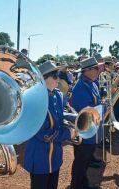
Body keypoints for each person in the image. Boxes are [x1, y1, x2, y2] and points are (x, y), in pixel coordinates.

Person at [23, 60, 74, 189]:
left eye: (58, 75)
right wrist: (68, 133)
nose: (58, 79)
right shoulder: (34, 98)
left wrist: (76, 119)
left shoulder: (57, 94)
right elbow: (43, 134)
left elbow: (59, 117)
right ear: (43, 78)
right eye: (55, 76)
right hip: (40, 157)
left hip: (55, 155)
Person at [69, 57, 103, 189]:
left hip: (92, 129)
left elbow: (95, 104)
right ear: (86, 70)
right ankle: (76, 184)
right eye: (95, 68)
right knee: (81, 160)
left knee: (87, 159)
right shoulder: (80, 87)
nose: (98, 71)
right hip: (84, 130)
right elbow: (86, 110)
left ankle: (83, 183)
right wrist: (103, 108)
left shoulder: (91, 83)